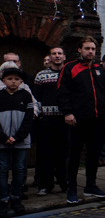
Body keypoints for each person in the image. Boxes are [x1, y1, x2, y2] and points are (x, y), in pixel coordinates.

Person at [57, 37, 105, 202]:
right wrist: (67, 112)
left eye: (93, 49)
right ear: (79, 50)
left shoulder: (99, 69)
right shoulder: (70, 67)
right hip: (78, 119)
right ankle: (71, 189)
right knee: (74, 155)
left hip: (98, 119)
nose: (90, 52)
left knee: (94, 154)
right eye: (87, 48)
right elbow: (62, 92)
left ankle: (90, 185)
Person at [34, 47, 68, 196]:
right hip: (47, 120)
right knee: (45, 154)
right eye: (54, 53)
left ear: (64, 56)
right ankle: (45, 185)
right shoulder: (41, 75)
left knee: (63, 153)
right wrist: (39, 115)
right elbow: (36, 98)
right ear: (50, 57)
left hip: (65, 120)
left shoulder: (69, 74)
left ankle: (64, 183)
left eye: (59, 53)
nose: (57, 56)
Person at [0, 64, 33, 216]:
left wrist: (18, 137)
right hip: (2, 141)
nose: (13, 82)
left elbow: (28, 119)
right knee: (2, 168)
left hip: (21, 140)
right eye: (10, 79)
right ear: (3, 80)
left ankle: (16, 197)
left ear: (21, 82)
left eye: (16, 79)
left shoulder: (26, 96)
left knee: (20, 169)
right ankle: (3, 198)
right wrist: (4, 137)